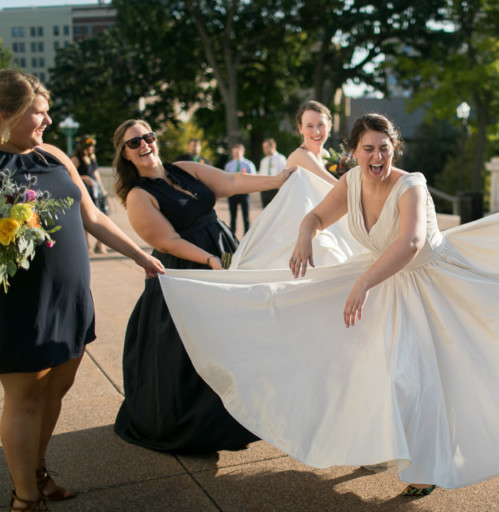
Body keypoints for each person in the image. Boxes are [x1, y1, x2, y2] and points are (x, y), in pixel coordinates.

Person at [158, 113, 499, 494]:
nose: (376, 157)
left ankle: (423, 469)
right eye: (367, 149)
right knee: (363, 365)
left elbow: (411, 241)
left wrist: (363, 284)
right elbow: (318, 214)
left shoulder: (412, 184)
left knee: (422, 376)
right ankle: (380, 443)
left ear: (394, 148)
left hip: (430, 283)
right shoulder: (352, 181)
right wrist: (304, 235)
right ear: (354, 152)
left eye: (384, 148)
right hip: (382, 281)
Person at [0, 70, 165, 512]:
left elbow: (92, 216)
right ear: (6, 114)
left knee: (57, 388)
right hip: (18, 306)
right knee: (24, 397)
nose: (47, 122)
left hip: (69, 297)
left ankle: (36, 471)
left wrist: (140, 255)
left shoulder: (53, 155)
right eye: (38, 113)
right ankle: (24, 499)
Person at [111, 119, 295, 454]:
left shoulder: (181, 169)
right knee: (187, 347)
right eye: (134, 143)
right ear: (124, 154)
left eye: (148, 137)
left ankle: (238, 412)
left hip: (220, 249)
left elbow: (231, 181)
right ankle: (192, 424)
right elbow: (168, 241)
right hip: (187, 268)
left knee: (234, 335)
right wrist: (210, 260)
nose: (144, 145)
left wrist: (279, 179)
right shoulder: (139, 196)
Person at [71, 135, 110, 254]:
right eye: (90, 146)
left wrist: (103, 189)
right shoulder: (76, 159)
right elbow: (69, 174)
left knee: (102, 215)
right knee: (87, 217)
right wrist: (83, 178)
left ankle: (100, 243)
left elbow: (96, 174)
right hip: (85, 190)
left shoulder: (92, 157)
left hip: (96, 190)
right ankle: (87, 244)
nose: (92, 149)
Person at [284, 101, 338, 186]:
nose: (316, 132)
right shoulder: (300, 155)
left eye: (321, 124)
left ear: (329, 125)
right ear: (300, 128)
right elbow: (335, 186)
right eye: (310, 126)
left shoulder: (325, 155)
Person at [224, 143, 257, 236]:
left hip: (244, 193)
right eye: (234, 152)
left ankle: (246, 237)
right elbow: (225, 179)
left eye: (237, 152)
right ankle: (232, 236)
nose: (236, 154)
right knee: (232, 217)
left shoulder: (248, 165)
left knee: (246, 217)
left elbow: (253, 179)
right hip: (233, 194)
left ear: (242, 152)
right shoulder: (228, 165)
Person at [258, 137, 286, 208]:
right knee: (265, 210)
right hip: (265, 189)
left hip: (276, 189)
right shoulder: (263, 160)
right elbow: (261, 175)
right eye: (263, 147)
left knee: (276, 210)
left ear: (273, 146)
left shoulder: (281, 159)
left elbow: (284, 174)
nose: (264, 149)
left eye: (266, 147)